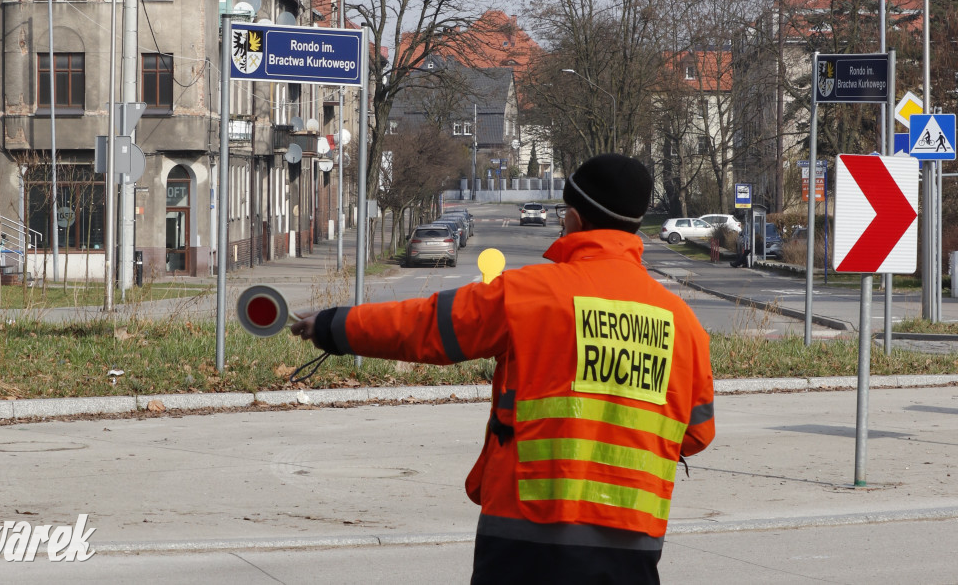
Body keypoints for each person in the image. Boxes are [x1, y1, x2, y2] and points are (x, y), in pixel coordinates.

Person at [290, 154, 715, 584]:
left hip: (525, 540)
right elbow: (697, 433)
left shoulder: (527, 295)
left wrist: (332, 325)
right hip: (632, 548)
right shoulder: (682, 323)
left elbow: (425, 327)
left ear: (572, 218)